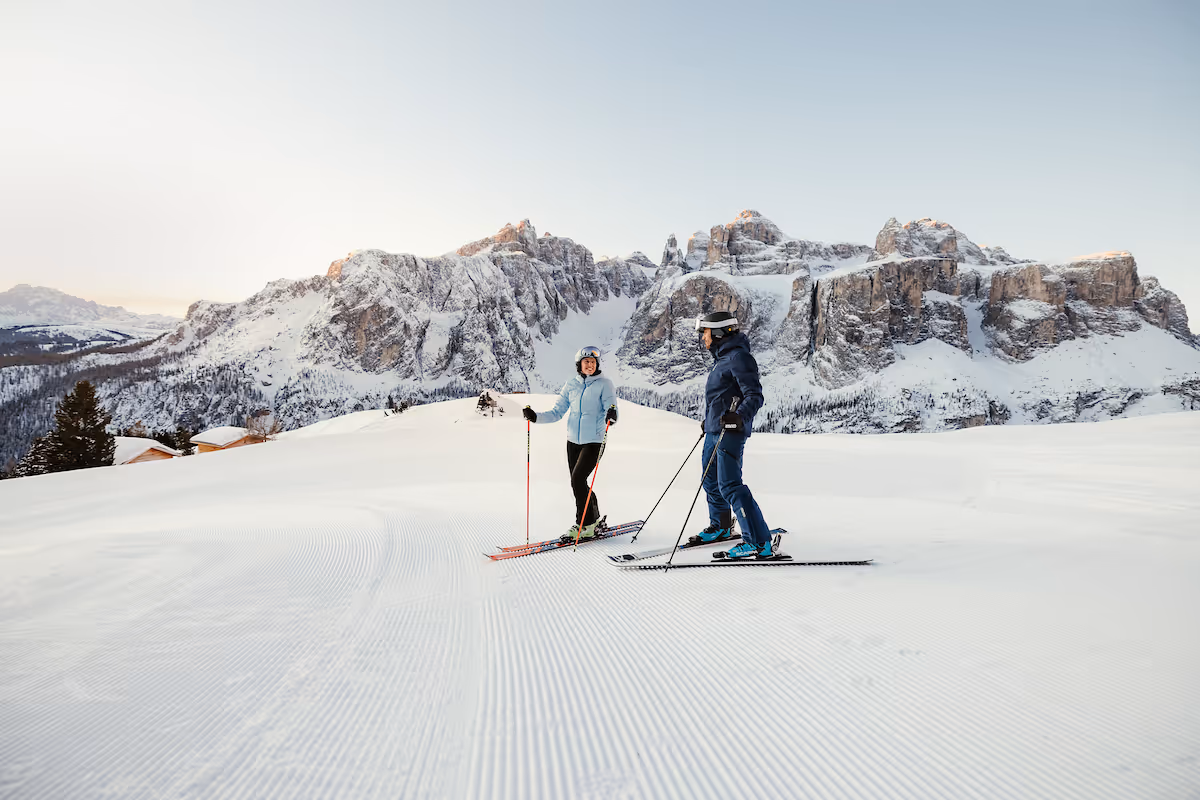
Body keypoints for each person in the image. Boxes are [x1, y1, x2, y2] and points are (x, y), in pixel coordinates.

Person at [693, 311, 780, 559]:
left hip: (730, 431)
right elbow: (721, 397)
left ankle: (758, 542)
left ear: (719, 332)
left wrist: (738, 417)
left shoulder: (740, 358)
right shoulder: (722, 359)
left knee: (730, 485)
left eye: (706, 333)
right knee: (710, 482)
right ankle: (720, 526)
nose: (704, 339)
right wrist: (708, 421)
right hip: (714, 430)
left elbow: (754, 395)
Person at [522, 346, 618, 540]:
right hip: (573, 441)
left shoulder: (604, 384)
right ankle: (594, 519)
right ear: (579, 365)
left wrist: (612, 414)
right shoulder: (571, 385)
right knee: (579, 482)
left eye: (592, 362)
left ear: (596, 364)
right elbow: (557, 412)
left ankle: (584, 524)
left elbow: (611, 405)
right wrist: (535, 417)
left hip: (594, 440)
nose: (589, 365)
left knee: (577, 480)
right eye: (586, 362)